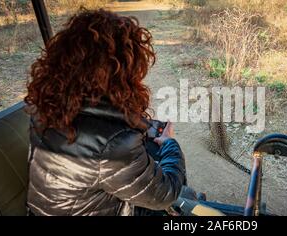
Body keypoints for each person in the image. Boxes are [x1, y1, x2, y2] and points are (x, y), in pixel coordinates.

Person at [24, 9, 186, 216]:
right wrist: (170, 144)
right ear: (122, 72)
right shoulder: (115, 145)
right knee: (170, 187)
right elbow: (165, 193)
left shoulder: (45, 106)